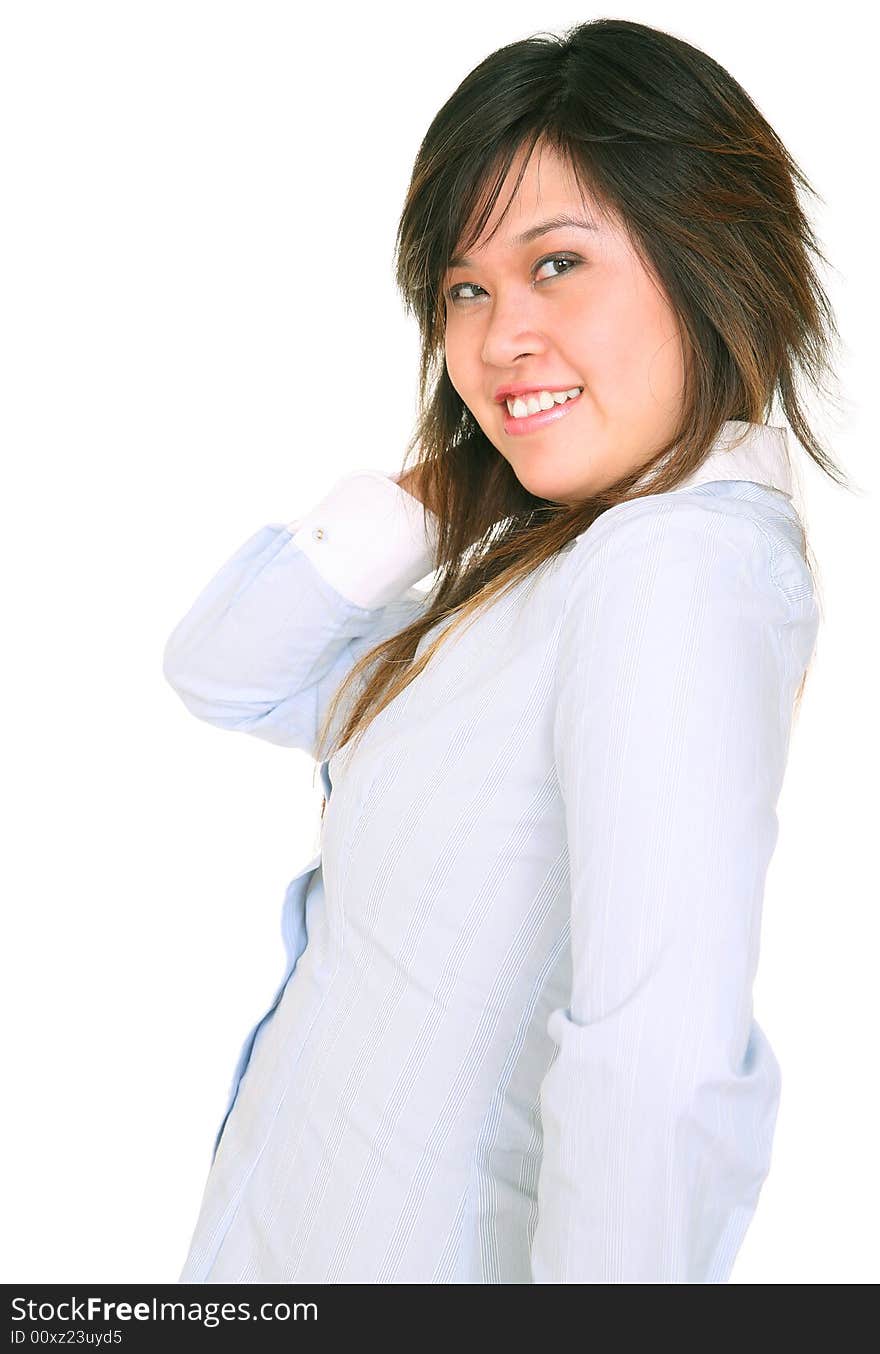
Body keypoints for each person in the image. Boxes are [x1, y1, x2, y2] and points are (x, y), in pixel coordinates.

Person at [164, 18, 847, 1283]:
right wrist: (463, 479)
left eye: (557, 265)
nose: (493, 337)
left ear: (708, 259)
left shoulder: (675, 570)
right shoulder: (557, 581)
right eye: (466, 288)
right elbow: (225, 670)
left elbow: (656, 1070)